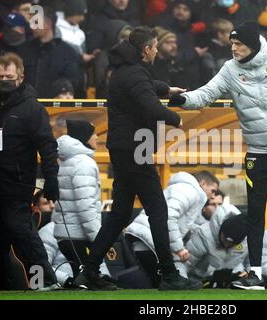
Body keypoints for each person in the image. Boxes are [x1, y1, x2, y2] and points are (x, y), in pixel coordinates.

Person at [169, 21, 267, 289]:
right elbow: (206, 94)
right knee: (255, 212)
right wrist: (183, 101)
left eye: (238, 44)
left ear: (252, 45)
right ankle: (254, 273)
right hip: (258, 152)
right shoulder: (230, 70)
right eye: (231, 43)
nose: (233, 48)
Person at [74, 26, 200, 291]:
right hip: (135, 151)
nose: (155, 51)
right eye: (154, 47)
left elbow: (145, 87)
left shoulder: (125, 70)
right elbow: (150, 105)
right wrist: (176, 118)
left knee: (120, 214)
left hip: (124, 150)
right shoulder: (134, 72)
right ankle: (168, 274)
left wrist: (167, 88)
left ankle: (89, 272)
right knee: (158, 209)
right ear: (146, 50)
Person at [0, 52, 59, 290]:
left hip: (17, 184)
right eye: (1, 76)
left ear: (21, 77)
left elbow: (48, 146)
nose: (4, 80)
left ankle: (45, 280)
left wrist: (51, 180)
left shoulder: (31, 108)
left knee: (22, 232)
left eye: (9, 76)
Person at [124, 171, 219, 286]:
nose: (213, 196)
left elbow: (177, 219)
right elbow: (169, 217)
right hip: (149, 240)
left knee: (156, 283)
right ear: (203, 183)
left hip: (146, 238)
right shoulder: (189, 191)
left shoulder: (183, 188)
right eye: (213, 190)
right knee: (165, 284)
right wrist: (179, 248)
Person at [51, 120, 103, 278]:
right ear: (84, 137)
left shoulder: (67, 160)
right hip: (77, 235)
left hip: (67, 235)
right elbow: (86, 206)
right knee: (88, 280)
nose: (97, 138)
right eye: (93, 134)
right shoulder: (84, 163)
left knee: (84, 279)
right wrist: (98, 238)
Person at [185, 204, 249, 288]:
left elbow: (251, 263)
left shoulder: (247, 241)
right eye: (225, 239)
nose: (226, 244)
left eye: (232, 244)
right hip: (199, 283)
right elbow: (185, 264)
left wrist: (247, 274)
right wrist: (183, 283)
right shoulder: (203, 235)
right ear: (221, 230)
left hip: (232, 282)